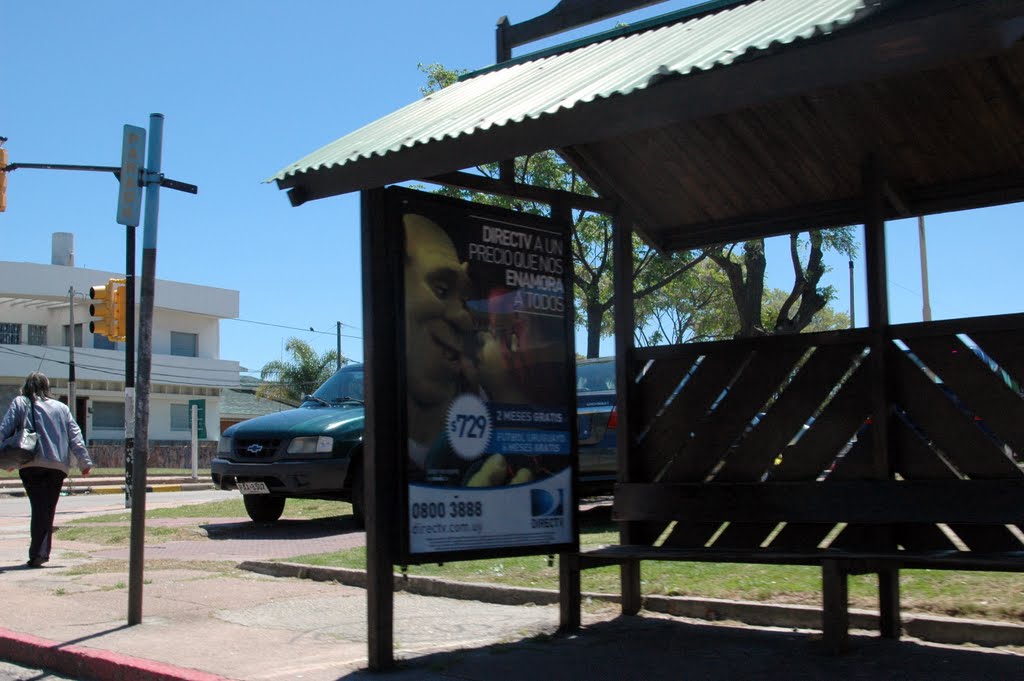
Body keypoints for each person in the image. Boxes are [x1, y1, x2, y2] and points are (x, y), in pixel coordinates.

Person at [0, 372, 92, 568]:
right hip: (57, 466)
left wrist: (7, 459)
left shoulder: (20, 402)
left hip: (30, 463)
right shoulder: (62, 408)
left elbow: (4, 430)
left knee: (39, 507)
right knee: (47, 508)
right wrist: (84, 463)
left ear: (26, 386)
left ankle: (39, 553)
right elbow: (75, 435)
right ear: (47, 387)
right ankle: (40, 552)